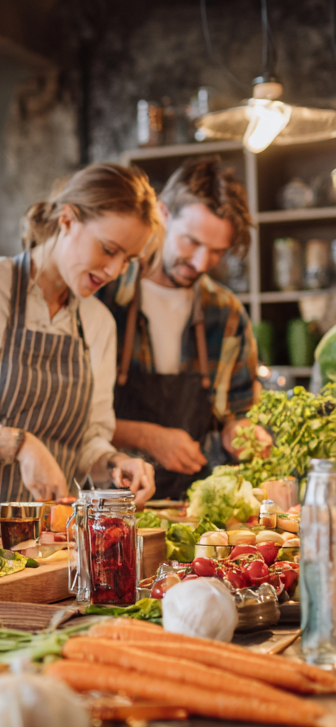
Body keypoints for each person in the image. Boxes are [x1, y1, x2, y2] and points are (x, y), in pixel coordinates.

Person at [0, 164, 158, 528]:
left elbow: (88, 439)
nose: (114, 270)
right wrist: (18, 443)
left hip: (55, 544)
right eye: (109, 249)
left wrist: (114, 462)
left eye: (128, 260)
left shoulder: (99, 323)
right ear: (67, 220)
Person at [100, 157, 269, 500]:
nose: (201, 263)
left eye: (217, 252)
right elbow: (71, 416)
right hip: (108, 502)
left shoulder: (227, 313)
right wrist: (149, 438)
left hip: (191, 504)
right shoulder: (105, 294)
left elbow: (238, 413)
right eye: (191, 242)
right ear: (162, 213)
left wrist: (246, 435)